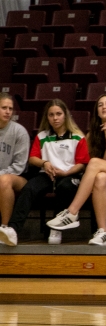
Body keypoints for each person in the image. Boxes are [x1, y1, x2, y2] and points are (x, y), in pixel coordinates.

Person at [46, 94, 106, 245]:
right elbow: (102, 165)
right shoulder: (93, 134)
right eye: (100, 105)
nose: (104, 107)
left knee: (95, 163)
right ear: (97, 112)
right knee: (100, 178)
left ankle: (72, 212)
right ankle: (103, 232)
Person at [4, 99, 89, 246]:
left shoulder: (78, 136)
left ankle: (56, 229)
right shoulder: (42, 136)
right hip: (47, 174)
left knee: (65, 188)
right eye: (51, 115)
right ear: (47, 117)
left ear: (65, 115)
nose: (55, 118)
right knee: (29, 188)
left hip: (69, 174)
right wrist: (45, 163)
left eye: (58, 114)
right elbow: (32, 158)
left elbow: (82, 164)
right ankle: (13, 230)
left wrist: (67, 172)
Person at [0, 93, 30, 247]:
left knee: (4, 180)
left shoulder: (19, 131)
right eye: (4, 108)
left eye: (10, 108)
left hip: (18, 177)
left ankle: (4, 229)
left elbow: (19, 166)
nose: (7, 111)